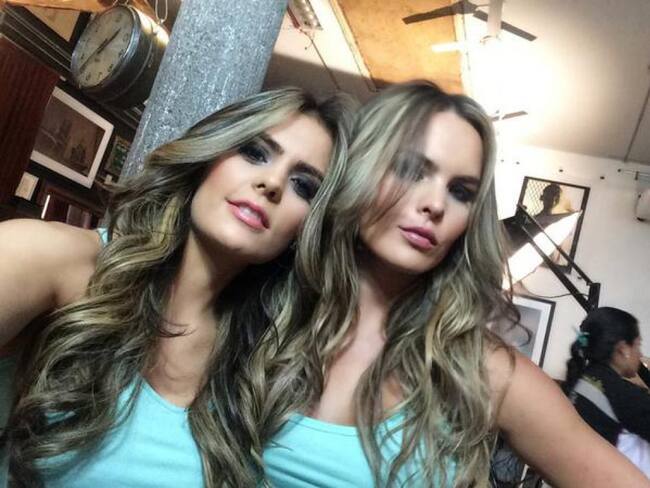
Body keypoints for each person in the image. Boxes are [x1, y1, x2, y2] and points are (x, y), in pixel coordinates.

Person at [248, 81, 649, 487]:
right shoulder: (265, 314)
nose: (436, 205)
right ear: (360, 167)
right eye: (411, 170)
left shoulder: (481, 368)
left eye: (460, 192)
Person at [0, 87, 352, 487]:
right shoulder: (50, 257)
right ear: (207, 158)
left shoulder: (263, 364)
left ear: (306, 230)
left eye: (304, 186)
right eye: (254, 152)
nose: (272, 183)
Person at [564, 307, 650, 476]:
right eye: (638, 345)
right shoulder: (623, 395)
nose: (640, 354)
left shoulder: (581, 380)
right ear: (623, 349)